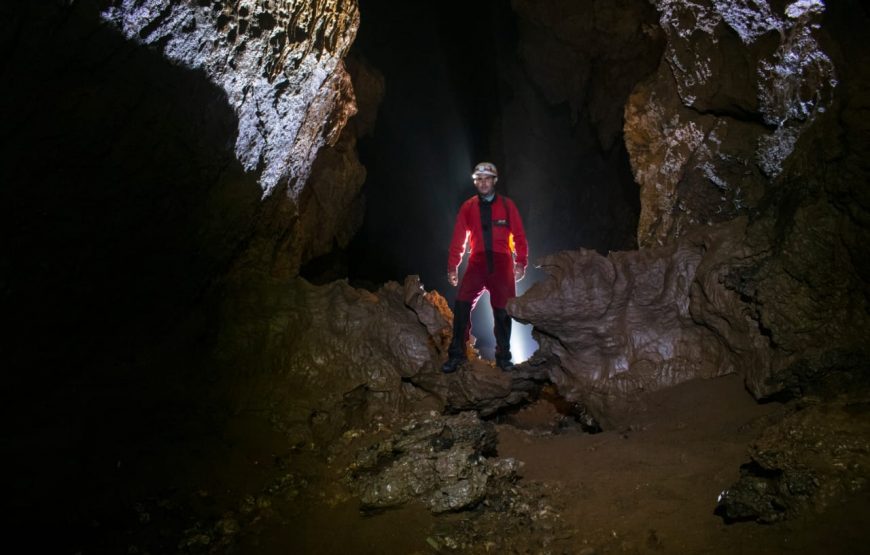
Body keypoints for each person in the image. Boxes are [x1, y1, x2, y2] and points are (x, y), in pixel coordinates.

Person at [442, 161, 528, 373]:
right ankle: (457, 355)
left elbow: (519, 235)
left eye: (487, 178)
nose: (483, 183)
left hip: (502, 263)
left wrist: (521, 262)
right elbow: (459, 238)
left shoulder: (508, 206)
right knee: (462, 304)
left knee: (502, 312)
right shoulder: (468, 207)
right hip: (477, 262)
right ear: (475, 182)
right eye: (479, 179)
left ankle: (504, 358)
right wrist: (453, 266)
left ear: (494, 180)